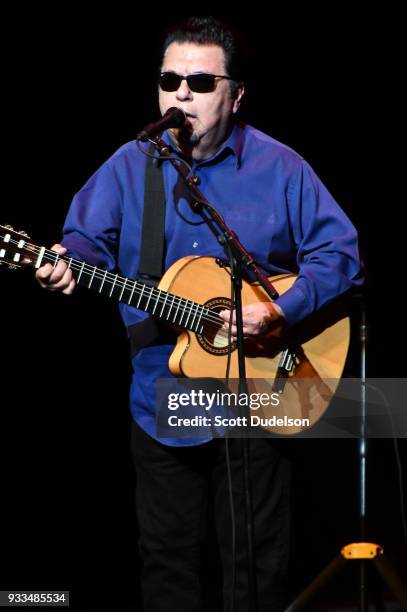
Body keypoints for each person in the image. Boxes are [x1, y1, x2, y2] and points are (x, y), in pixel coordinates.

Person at [35, 16, 363, 612]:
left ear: (235, 96)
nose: (181, 95)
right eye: (169, 80)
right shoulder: (131, 164)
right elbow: (84, 241)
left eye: (200, 83)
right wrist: (66, 261)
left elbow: (340, 254)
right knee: (168, 565)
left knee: (257, 565)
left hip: (257, 393)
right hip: (163, 390)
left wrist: (278, 310)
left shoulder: (281, 167)